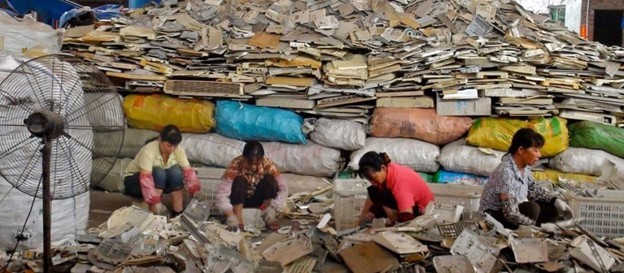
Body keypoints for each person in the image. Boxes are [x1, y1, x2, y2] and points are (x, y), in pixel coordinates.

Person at [479, 128, 574, 232]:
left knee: (552, 207)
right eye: (535, 150)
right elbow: (510, 213)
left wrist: (555, 201)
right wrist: (539, 226)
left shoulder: (525, 169)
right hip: (492, 219)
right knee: (532, 208)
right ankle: (527, 234)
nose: (539, 155)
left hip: (511, 213)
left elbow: (535, 190)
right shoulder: (506, 172)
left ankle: (542, 234)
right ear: (521, 150)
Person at [124, 125, 200, 217]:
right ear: (160, 140)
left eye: (174, 146)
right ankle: (154, 212)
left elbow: (188, 171)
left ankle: (177, 212)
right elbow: (146, 178)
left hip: (159, 182)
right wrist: (155, 203)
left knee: (176, 172)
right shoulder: (149, 150)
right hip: (135, 182)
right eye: (168, 145)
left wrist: (195, 190)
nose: (172, 149)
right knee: (159, 172)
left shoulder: (178, 151)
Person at [216, 141, 288, 231]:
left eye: (257, 163)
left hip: (259, 200)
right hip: (241, 199)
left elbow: (284, 188)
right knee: (239, 180)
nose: (253, 167)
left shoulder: (268, 165)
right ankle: (238, 218)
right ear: (244, 158)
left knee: (270, 180)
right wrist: (230, 214)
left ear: (262, 159)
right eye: (249, 163)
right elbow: (222, 193)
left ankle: (268, 216)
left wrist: (274, 207)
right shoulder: (235, 165)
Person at [357, 152, 434, 226]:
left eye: (374, 178)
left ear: (383, 168)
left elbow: (406, 215)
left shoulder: (399, 182)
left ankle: (395, 224)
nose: (372, 182)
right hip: (410, 207)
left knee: (384, 196)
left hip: (422, 214)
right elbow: (376, 199)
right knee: (373, 190)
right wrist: (369, 214)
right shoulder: (388, 171)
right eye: (369, 180)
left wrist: (397, 230)